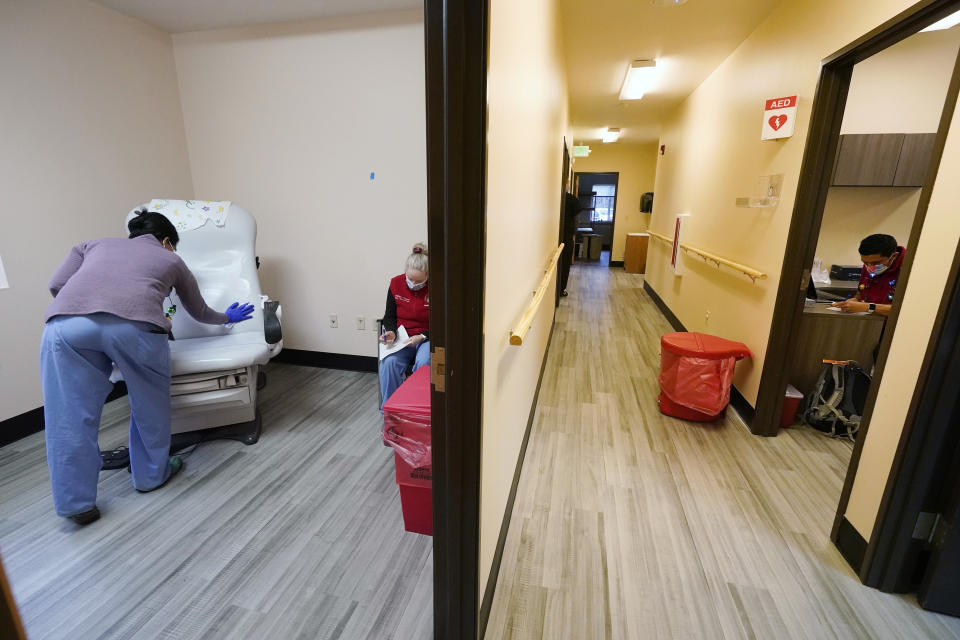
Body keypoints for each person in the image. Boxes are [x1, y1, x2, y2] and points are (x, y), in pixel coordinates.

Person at [41, 210, 255, 525]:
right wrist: (228, 317)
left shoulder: (92, 245)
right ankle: (150, 477)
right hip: (136, 329)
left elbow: (57, 284)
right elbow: (198, 311)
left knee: (67, 417)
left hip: (65, 326)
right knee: (148, 406)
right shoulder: (172, 261)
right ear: (167, 241)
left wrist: (90, 308)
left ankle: (76, 504)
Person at [379, 243, 430, 407]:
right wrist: (391, 332)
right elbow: (389, 316)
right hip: (403, 336)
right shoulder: (395, 283)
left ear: (428, 276)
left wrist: (422, 336)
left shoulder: (438, 286)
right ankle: (392, 411)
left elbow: (445, 323)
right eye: (410, 279)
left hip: (427, 336)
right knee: (389, 364)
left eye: (419, 281)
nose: (413, 283)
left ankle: (417, 409)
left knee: (424, 363)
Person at [832, 234, 905, 317]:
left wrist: (867, 307)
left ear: (893, 256)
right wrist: (853, 301)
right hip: (870, 323)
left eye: (876, 263)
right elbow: (861, 295)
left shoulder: (910, 269)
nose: (870, 267)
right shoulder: (869, 264)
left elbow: (906, 310)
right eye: (865, 263)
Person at [559, 192, 583, 297]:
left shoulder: (552, 195)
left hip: (555, 237)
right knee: (565, 265)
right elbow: (576, 221)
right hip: (567, 238)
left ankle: (557, 290)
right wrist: (574, 234)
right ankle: (561, 290)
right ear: (567, 183)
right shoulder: (572, 200)